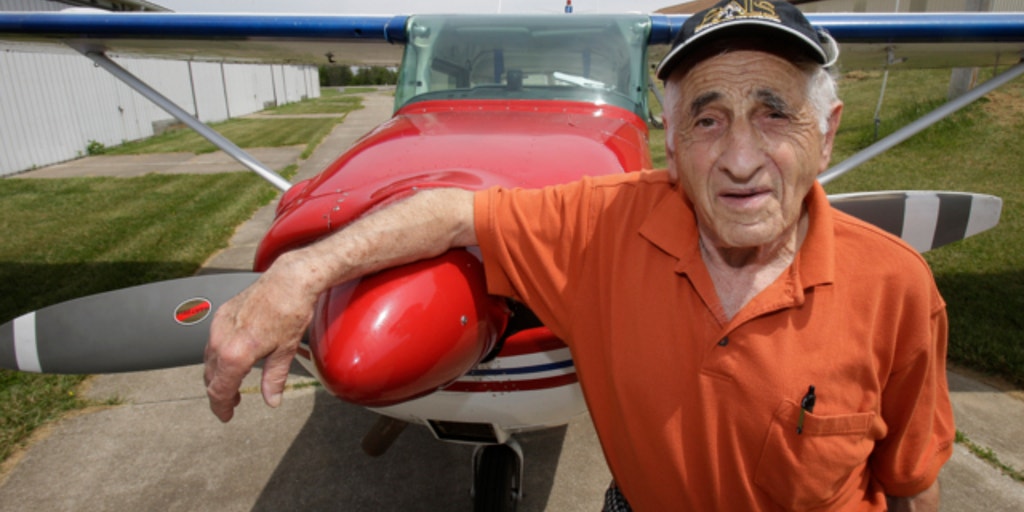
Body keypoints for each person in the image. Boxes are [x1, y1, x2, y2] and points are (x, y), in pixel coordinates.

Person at [204, 0, 954, 509]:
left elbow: (915, 481)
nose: (741, 159)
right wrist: (300, 271)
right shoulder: (600, 228)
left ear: (826, 136)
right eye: (708, 118)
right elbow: (450, 211)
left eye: (775, 113)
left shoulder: (900, 288)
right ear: (672, 140)